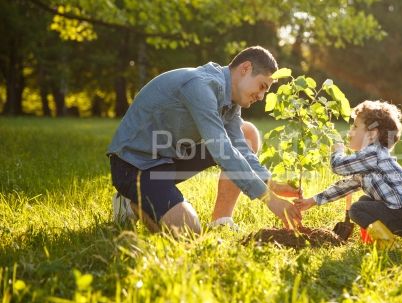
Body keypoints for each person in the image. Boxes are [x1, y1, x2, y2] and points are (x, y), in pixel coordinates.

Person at [107, 46, 302, 234]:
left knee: (246, 134)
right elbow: (222, 151)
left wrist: (271, 183)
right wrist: (271, 200)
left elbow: (240, 149)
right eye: (262, 86)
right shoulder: (201, 86)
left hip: (168, 158)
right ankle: (130, 203)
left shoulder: (232, 102)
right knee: (188, 231)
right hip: (134, 165)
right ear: (245, 68)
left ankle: (221, 221)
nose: (261, 96)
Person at [294, 100, 402, 242]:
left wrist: (337, 152)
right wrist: (312, 201)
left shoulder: (373, 154)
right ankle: (372, 241)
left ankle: (385, 244)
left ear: (372, 134)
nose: (350, 131)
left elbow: (338, 166)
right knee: (364, 201)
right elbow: (345, 186)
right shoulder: (369, 161)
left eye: (355, 126)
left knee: (357, 209)